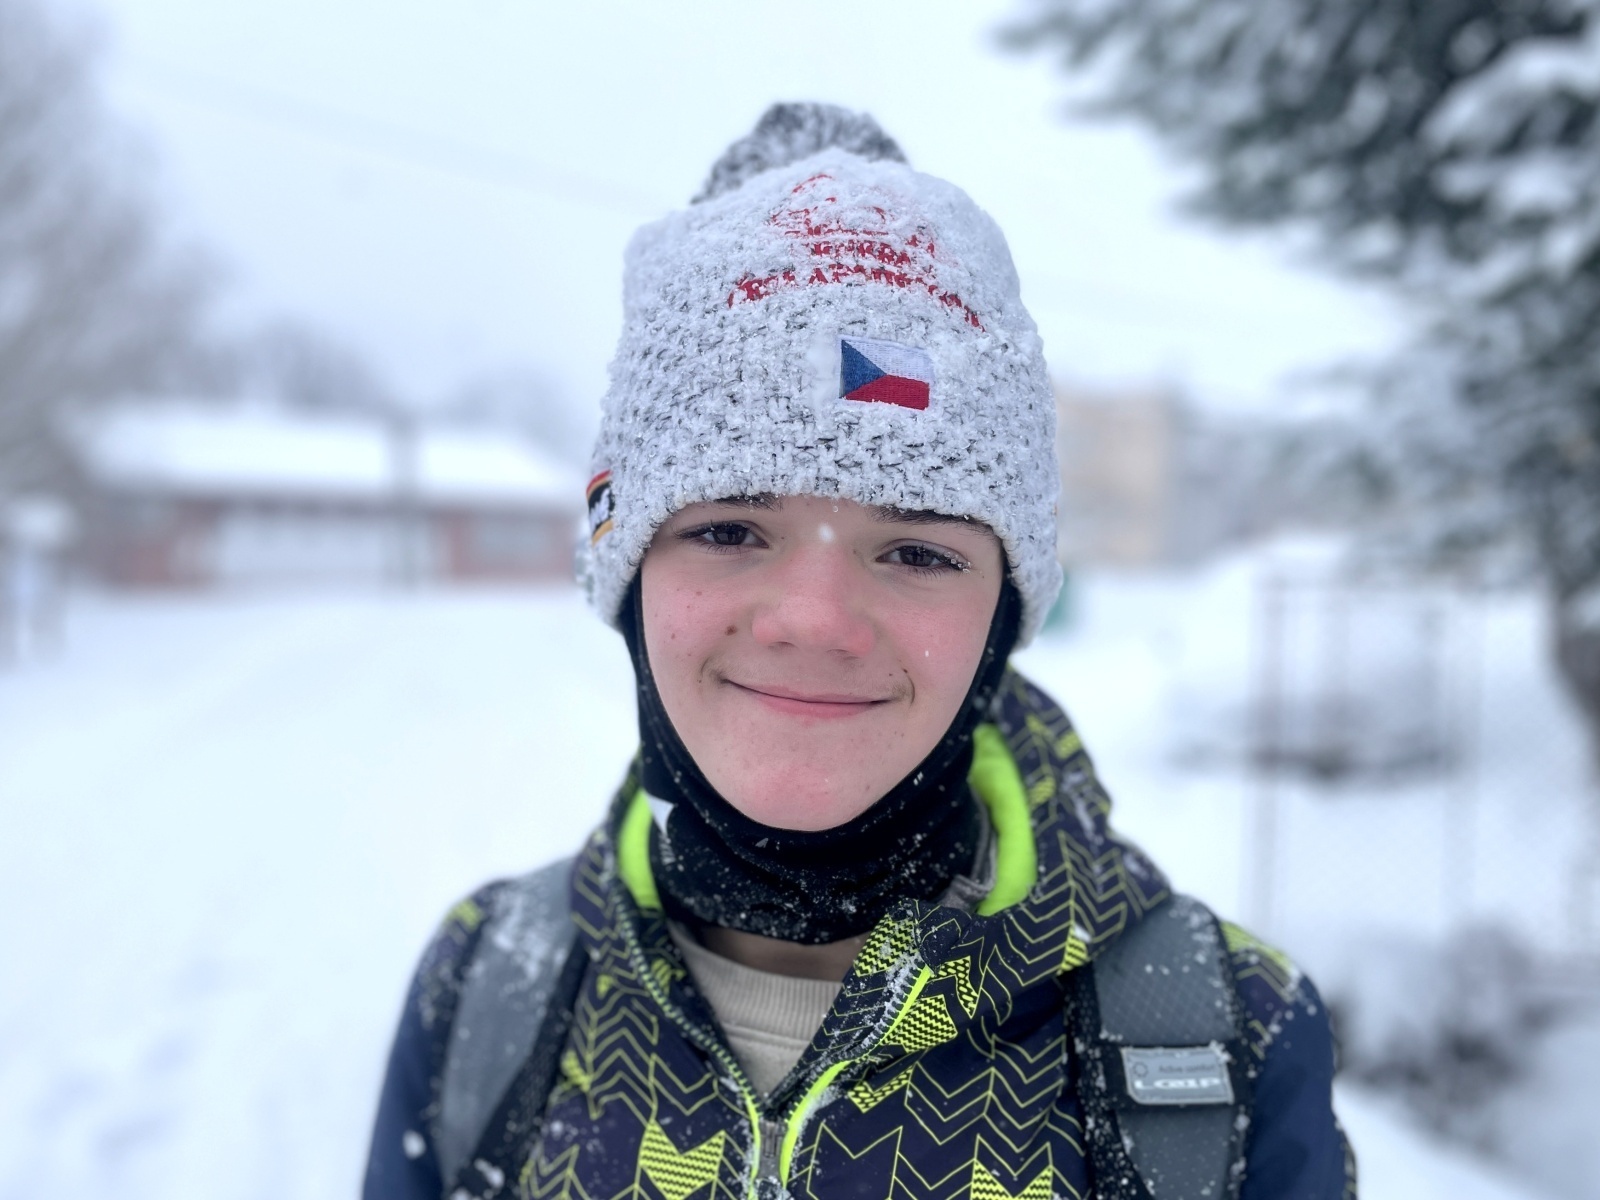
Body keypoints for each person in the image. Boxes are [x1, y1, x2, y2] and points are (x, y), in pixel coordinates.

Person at [364, 103, 1355, 1200]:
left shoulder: (1230, 1047)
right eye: (729, 531)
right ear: (627, 577)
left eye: (918, 550)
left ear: (1001, 614)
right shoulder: (486, 993)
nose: (815, 618)